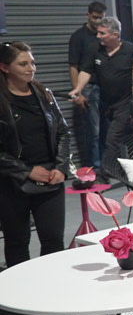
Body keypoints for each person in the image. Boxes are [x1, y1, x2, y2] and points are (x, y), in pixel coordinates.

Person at [0, 40, 70, 266]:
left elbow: (63, 132)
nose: (31, 68)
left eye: (32, 63)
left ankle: (51, 286)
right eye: (23, 64)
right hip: (11, 183)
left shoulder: (44, 93)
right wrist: (27, 171)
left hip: (50, 179)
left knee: (54, 241)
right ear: (4, 67)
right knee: (17, 242)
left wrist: (61, 167)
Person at [68, 17, 133, 182]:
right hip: (105, 103)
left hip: (125, 103)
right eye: (98, 32)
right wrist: (78, 89)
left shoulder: (132, 51)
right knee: (113, 139)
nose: (98, 36)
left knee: (112, 139)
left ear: (115, 35)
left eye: (102, 33)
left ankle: (103, 175)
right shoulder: (95, 49)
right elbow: (86, 71)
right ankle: (125, 170)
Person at [67, 1, 106, 172]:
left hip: (104, 88)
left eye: (100, 18)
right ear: (88, 15)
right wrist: (78, 93)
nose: (97, 21)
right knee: (93, 132)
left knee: (106, 130)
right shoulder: (79, 37)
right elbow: (73, 66)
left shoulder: (103, 36)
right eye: (95, 17)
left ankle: (106, 167)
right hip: (88, 88)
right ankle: (95, 169)